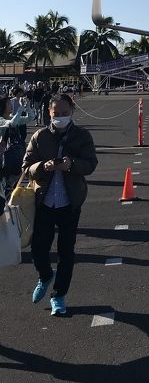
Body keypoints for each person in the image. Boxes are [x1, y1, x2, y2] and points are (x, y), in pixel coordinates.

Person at [23, 92, 98, 317]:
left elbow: (91, 164)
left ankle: (59, 295)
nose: (60, 117)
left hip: (69, 202)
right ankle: (45, 275)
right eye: (56, 114)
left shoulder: (82, 136)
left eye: (65, 113)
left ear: (72, 111)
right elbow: (26, 167)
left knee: (66, 251)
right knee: (38, 247)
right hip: (45, 201)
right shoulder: (40, 136)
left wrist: (71, 165)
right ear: (49, 113)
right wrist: (41, 168)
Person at [0, 94, 35, 199]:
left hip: (16, 156)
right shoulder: (1, 120)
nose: (11, 105)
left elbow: (31, 117)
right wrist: (20, 108)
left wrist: (27, 106)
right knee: (6, 186)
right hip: (4, 158)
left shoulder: (12, 117)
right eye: (8, 104)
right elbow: (12, 123)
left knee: (14, 187)